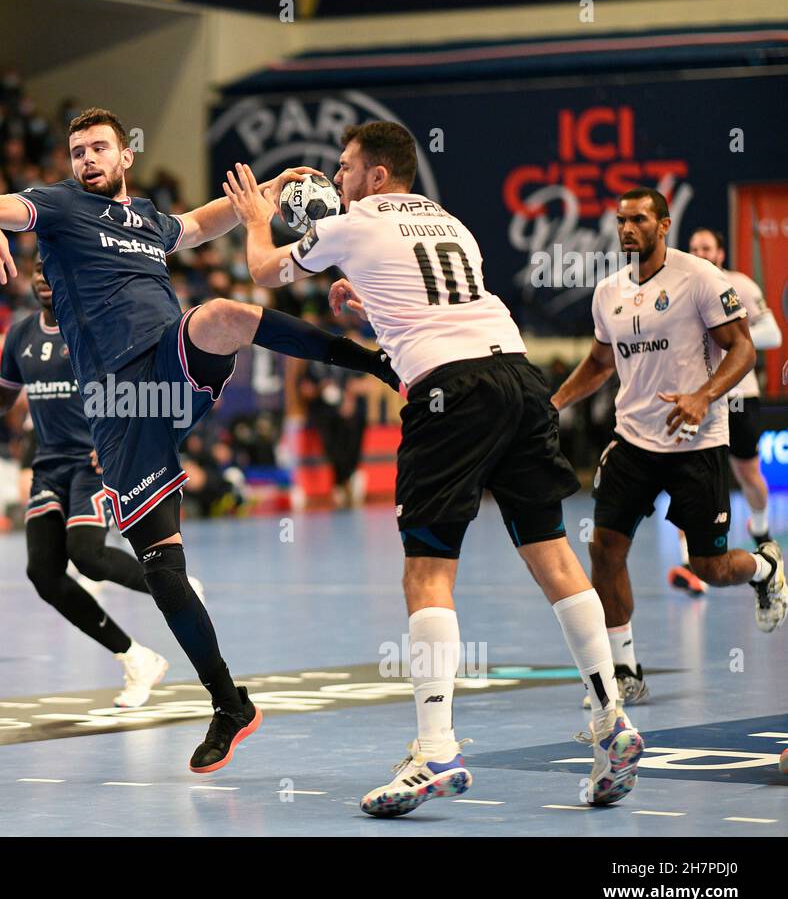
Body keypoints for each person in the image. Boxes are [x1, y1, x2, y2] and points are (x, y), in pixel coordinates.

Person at [0, 106, 398, 773]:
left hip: (167, 364)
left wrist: (269, 190)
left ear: (124, 155)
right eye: (78, 151)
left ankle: (374, 362)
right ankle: (229, 703)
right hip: (119, 407)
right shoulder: (59, 206)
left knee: (220, 315)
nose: (87, 160)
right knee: (164, 570)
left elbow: (195, 226)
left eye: (99, 148)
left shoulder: (145, 220)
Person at [225, 120, 644, 814]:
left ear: (377, 176)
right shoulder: (451, 224)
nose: (338, 178)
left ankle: (436, 750)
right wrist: (369, 304)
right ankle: (610, 719)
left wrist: (252, 221)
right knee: (551, 550)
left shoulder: (356, 218)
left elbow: (264, 272)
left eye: (346, 167)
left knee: (427, 568)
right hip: (517, 377)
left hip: (451, 395)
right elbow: (437, 303)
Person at [553, 190, 785, 708]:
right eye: (621, 220)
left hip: (694, 442)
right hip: (632, 440)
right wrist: (555, 403)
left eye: (639, 219)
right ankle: (626, 668)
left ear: (664, 223)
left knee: (710, 566)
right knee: (605, 549)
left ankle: (766, 568)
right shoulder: (608, 291)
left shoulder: (699, 278)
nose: (628, 228)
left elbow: (744, 347)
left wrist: (704, 396)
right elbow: (599, 363)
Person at [0, 260, 172, 706]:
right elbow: (2, 397)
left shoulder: (95, 328)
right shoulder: (20, 334)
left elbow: (138, 385)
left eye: (50, 269)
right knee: (42, 572)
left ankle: (172, 580)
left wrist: (118, 436)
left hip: (92, 463)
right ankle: (137, 659)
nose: (42, 277)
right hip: (49, 465)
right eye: (37, 270)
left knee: (89, 556)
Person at [668, 227, 783, 596]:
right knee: (686, 475)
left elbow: (773, 337)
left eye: (708, 247)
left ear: (720, 252)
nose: (701, 252)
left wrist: (728, 336)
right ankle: (690, 562)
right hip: (696, 397)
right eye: (695, 247)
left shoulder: (740, 286)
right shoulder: (677, 289)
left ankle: (761, 529)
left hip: (738, 397)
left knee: (748, 473)